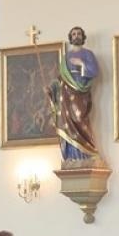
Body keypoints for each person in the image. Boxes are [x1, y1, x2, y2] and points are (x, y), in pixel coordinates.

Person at [49, 25, 101, 164]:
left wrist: (81, 64)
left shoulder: (88, 54)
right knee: (67, 120)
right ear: (70, 38)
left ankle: (86, 151)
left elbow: (94, 71)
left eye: (78, 34)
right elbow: (60, 78)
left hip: (81, 91)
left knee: (79, 118)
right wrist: (52, 89)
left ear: (82, 37)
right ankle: (72, 155)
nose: (76, 36)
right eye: (73, 34)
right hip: (66, 93)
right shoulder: (66, 57)